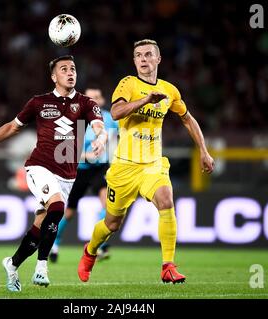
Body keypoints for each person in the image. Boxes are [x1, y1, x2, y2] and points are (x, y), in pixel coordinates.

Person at [77, 39, 215, 284]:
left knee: (166, 200)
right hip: (124, 166)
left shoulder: (169, 90)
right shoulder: (128, 84)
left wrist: (203, 150)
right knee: (112, 223)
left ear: (158, 59)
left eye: (148, 54)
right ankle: (90, 250)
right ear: (134, 61)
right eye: (138, 55)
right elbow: (117, 113)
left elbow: (187, 119)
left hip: (153, 164)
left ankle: (168, 266)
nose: (143, 59)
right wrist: (145, 100)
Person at [0, 55, 107, 291]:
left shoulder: (85, 103)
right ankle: (42, 266)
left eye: (73, 68)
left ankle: (12, 264)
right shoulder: (39, 102)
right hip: (39, 166)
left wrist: (101, 138)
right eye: (64, 69)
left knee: (42, 225)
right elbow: (13, 127)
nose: (70, 72)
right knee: (57, 206)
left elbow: (98, 126)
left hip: (68, 174)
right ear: (54, 77)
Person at [49, 88, 118, 263]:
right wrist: (85, 156)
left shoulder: (110, 119)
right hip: (79, 170)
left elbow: (120, 138)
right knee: (69, 212)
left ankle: (97, 245)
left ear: (102, 100)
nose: (94, 100)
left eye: (97, 97)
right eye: (90, 98)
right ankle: (55, 243)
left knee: (108, 206)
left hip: (101, 168)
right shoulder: (76, 120)